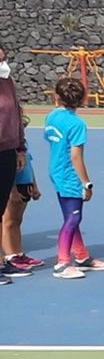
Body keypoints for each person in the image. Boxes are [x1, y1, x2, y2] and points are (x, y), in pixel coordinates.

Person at [44, 78, 104, 279]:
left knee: (70, 216)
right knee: (74, 218)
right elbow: (76, 156)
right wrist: (86, 183)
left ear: (56, 96)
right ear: (84, 98)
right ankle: (62, 263)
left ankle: (82, 257)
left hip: (55, 171)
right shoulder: (76, 124)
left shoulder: (51, 117)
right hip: (69, 175)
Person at [0, 45, 30, 285]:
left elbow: (16, 115)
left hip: (8, 151)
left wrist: (20, 148)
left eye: (3, 56)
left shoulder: (7, 81)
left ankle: (2, 260)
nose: (3, 61)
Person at [3, 115, 45, 273]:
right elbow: (7, 170)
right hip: (12, 188)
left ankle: (19, 253)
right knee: (9, 221)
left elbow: (29, 166)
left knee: (18, 221)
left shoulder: (23, 146)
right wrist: (11, 190)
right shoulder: (7, 147)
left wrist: (35, 185)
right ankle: (10, 255)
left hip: (25, 184)